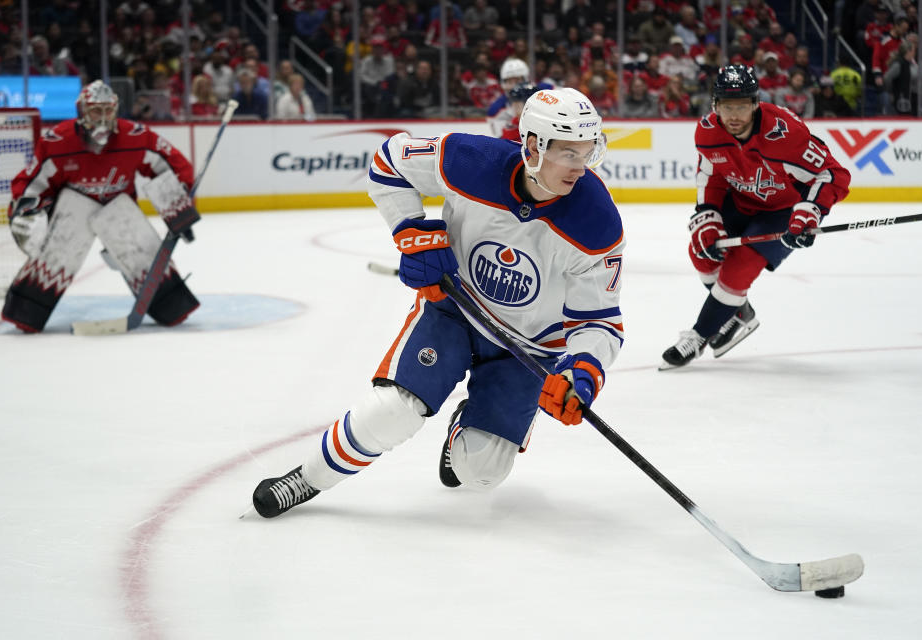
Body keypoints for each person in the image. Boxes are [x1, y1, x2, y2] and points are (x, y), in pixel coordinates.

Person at [251, 88, 624, 517]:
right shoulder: (470, 161)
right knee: (394, 411)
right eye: (569, 154)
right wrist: (410, 232)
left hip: (530, 348)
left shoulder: (597, 221)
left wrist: (583, 369)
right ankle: (307, 477)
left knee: (481, 473)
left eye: (588, 152)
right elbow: (388, 161)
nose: (581, 168)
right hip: (455, 311)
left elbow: (600, 321)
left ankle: (465, 422)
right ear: (534, 146)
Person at [660, 65, 851, 368]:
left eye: (741, 106)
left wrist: (809, 212)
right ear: (715, 105)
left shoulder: (785, 133)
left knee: (740, 266)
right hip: (740, 201)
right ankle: (737, 315)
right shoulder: (708, 131)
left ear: (755, 104)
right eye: (726, 106)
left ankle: (698, 337)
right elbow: (709, 175)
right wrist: (708, 214)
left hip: (782, 211)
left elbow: (832, 175)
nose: (733, 115)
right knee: (701, 251)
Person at [1, 80, 200, 333]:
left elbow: (171, 165)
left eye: (109, 110)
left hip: (119, 215)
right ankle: (26, 311)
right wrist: (26, 212)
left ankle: (169, 305)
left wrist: (178, 205)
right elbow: (31, 183)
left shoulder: (136, 136)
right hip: (70, 217)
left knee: (168, 299)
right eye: (96, 110)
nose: (103, 117)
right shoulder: (58, 141)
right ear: (81, 111)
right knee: (67, 229)